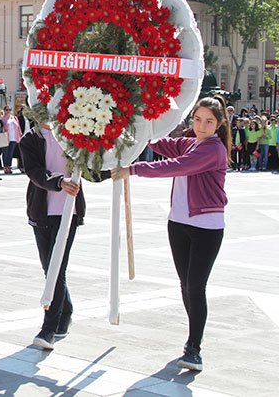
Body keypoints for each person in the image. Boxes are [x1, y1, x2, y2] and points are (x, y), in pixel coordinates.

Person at [112, 96, 231, 371]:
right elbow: (160, 145)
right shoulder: (191, 143)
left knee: (195, 286)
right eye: (198, 119)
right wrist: (135, 126)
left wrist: (134, 169)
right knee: (185, 285)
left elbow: (176, 166)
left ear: (220, 124)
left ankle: (194, 348)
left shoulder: (213, 150)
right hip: (178, 224)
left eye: (209, 121)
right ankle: (193, 336)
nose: (201, 126)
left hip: (207, 227)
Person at [19, 119, 86, 351]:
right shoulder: (30, 139)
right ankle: (65, 312)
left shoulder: (74, 135)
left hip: (69, 212)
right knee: (50, 269)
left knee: (57, 270)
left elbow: (93, 167)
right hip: (42, 211)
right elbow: (34, 171)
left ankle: (49, 327)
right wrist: (59, 181)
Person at [1, 106, 23, 174]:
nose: (8, 111)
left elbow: (18, 127)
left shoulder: (14, 118)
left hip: (14, 138)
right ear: (4, 110)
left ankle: (9, 166)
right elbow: (1, 127)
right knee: (5, 153)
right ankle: (5, 167)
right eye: (7, 110)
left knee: (10, 153)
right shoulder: (3, 118)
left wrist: (20, 135)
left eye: (10, 110)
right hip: (6, 138)